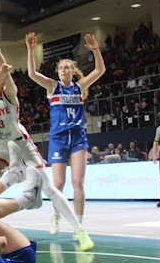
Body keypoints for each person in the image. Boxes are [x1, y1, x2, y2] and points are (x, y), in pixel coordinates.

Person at [0, 36, 94, 250]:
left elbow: (6, 72)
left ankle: (79, 229)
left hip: (19, 143)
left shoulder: (10, 93)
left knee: (50, 187)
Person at [25, 32, 105, 235]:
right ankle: (56, 215)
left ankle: (79, 226)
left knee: (78, 182)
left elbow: (100, 69)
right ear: (58, 72)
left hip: (78, 137)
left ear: (72, 71)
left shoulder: (79, 87)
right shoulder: (53, 87)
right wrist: (30, 49)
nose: (63, 70)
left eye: (67, 67)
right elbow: (32, 74)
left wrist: (95, 50)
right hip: (59, 138)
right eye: (60, 68)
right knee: (58, 184)